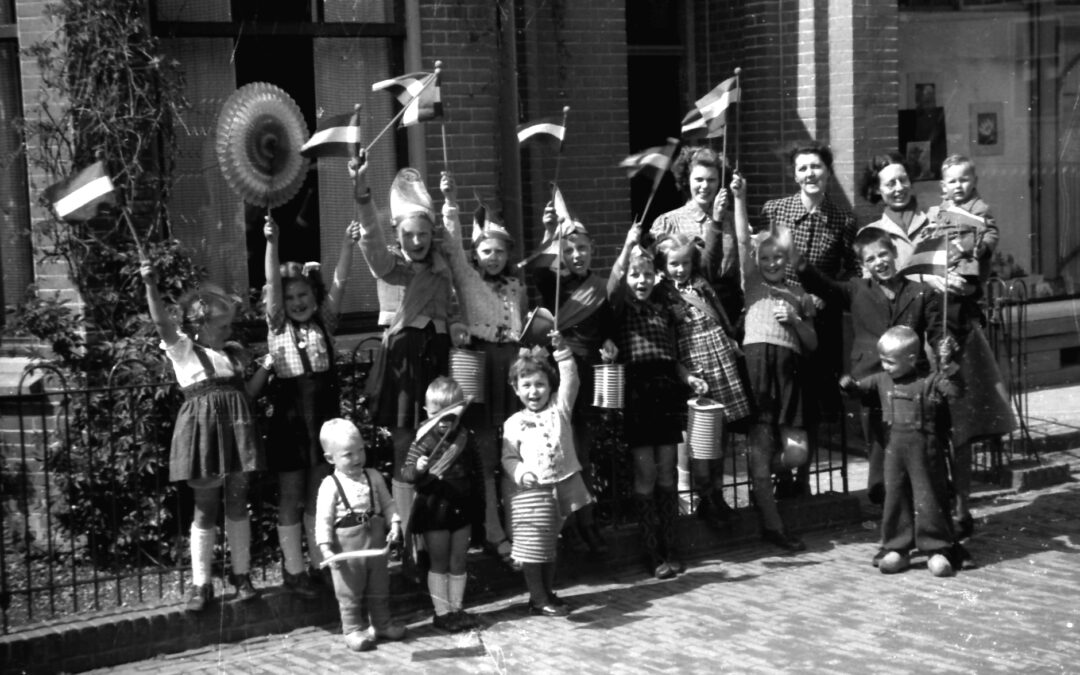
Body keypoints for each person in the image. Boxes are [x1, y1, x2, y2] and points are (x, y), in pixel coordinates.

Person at [351, 153, 467, 551]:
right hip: (404, 356)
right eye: (408, 235)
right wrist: (362, 194)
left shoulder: (442, 266)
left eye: (423, 235)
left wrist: (450, 201)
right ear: (397, 235)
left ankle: (436, 515)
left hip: (437, 353)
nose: (416, 242)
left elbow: (454, 244)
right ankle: (406, 528)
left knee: (439, 437)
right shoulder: (391, 267)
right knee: (405, 441)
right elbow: (370, 239)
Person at [140, 261, 268, 612]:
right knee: (205, 507)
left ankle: (241, 574)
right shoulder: (184, 351)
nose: (229, 331)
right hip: (204, 436)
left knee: (238, 502)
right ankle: (201, 583)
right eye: (222, 325)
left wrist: (267, 366)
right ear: (200, 326)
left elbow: (247, 393)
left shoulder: (231, 356)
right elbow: (161, 323)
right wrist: (151, 287)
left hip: (236, 435)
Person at [795, 228, 944, 513]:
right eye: (871, 259)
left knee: (913, 441)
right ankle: (884, 500)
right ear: (864, 264)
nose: (879, 262)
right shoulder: (856, 290)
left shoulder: (921, 293)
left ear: (894, 253)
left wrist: (945, 350)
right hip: (871, 381)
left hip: (910, 382)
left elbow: (938, 335)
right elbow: (822, 285)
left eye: (883, 254)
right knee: (878, 442)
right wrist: (799, 262)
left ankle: (915, 501)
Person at [915, 154, 1015, 539]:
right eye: (952, 181)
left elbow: (990, 237)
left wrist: (973, 246)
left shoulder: (980, 210)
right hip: (939, 300)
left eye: (964, 179)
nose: (958, 186)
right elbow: (924, 253)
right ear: (943, 185)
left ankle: (961, 507)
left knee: (961, 417)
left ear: (974, 180)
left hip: (965, 295)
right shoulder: (937, 214)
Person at [261, 214, 360, 596]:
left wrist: (347, 246)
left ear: (313, 296)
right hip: (290, 422)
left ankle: (320, 562)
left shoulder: (324, 322)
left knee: (318, 493)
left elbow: (340, 283)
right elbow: (272, 285)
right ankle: (293, 569)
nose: (297, 302)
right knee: (291, 493)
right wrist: (272, 242)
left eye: (302, 295)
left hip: (322, 421)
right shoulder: (277, 326)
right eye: (290, 298)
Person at [608, 223, 707, 578]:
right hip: (638, 392)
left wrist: (688, 377)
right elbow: (613, 285)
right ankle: (652, 553)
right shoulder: (623, 308)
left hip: (665, 389)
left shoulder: (662, 309)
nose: (641, 280)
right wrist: (628, 245)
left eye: (647, 274)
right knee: (645, 472)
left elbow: (673, 357)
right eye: (635, 275)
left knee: (667, 469)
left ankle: (671, 547)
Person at [761, 142, 858, 497]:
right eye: (802, 168)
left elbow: (851, 271)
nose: (810, 174)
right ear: (794, 174)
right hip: (780, 316)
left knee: (811, 402)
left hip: (819, 321)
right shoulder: (776, 210)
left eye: (816, 166)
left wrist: (825, 294)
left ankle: (801, 478)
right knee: (781, 396)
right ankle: (779, 475)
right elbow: (763, 258)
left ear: (828, 171)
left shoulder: (844, 220)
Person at [438, 173, 525, 567]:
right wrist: (450, 202)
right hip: (481, 368)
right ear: (476, 254)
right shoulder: (469, 279)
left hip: (512, 369)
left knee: (517, 451)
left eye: (500, 251)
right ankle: (493, 530)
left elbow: (524, 326)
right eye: (487, 251)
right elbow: (451, 248)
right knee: (487, 456)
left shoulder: (516, 286)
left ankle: (521, 526)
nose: (494, 257)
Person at [732, 173, 816, 552]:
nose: (770, 262)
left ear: (788, 259)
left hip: (788, 376)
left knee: (797, 452)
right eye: (764, 257)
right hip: (757, 373)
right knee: (761, 449)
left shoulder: (798, 293)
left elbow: (812, 342)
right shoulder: (752, 285)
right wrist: (740, 197)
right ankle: (773, 524)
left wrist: (796, 321)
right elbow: (740, 240)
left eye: (777, 256)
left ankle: (760, 476)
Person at [840, 326, 965, 577]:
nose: (884, 366)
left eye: (890, 362)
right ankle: (898, 548)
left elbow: (955, 391)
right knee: (895, 497)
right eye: (883, 360)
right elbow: (860, 389)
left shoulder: (930, 381)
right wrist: (849, 385)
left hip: (925, 452)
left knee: (928, 497)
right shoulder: (881, 379)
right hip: (894, 452)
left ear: (910, 359)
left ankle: (936, 549)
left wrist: (949, 366)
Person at [532, 201, 617, 557]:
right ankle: (570, 525)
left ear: (592, 249)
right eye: (569, 250)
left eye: (582, 248)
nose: (577, 255)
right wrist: (548, 231)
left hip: (590, 378)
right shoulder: (555, 284)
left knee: (584, 453)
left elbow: (608, 327)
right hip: (563, 378)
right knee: (563, 453)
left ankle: (587, 521)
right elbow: (539, 268)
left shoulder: (599, 286)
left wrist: (610, 342)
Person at [654, 230, 753, 529]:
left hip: (719, 360)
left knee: (720, 435)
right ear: (663, 265)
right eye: (673, 264)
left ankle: (718, 495)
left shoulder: (701, 283)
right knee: (700, 438)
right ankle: (705, 496)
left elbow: (718, 309)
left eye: (685, 263)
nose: (680, 269)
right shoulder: (662, 294)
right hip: (694, 367)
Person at [502, 332, 592, 616]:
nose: (534, 391)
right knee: (534, 545)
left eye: (540, 384)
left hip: (563, 485)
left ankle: (547, 593)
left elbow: (571, 380)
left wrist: (562, 351)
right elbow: (508, 458)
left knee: (551, 541)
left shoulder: (559, 409)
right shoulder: (513, 423)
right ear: (515, 389)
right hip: (535, 494)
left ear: (550, 386)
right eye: (526, 385)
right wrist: (521, 473)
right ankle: (538, 598)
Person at [315, 418, 407, 652]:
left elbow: (387, 503)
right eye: (348, 454)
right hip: (347, 548)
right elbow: (323, 519)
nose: (357, 458)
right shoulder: (330, 485)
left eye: (360, 450)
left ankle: (382, 624)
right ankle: (353, 630)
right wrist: (325, 547)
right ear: (330, 458)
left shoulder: (373, 476)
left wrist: (394, 524)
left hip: (375, 541)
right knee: (349, 591)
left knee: (379, 585)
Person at [400, 377, 484, 633]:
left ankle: (457, 609)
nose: (445, 421)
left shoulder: (466, 437)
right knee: (439, 561)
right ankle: (442, 613)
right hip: (434, 508)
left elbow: (478, 472)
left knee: (459, 561)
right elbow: (406, 473)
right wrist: (418, 468)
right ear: (427, 411)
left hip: (461, 506)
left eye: (451, 414)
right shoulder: (422, 440)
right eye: (437, 414)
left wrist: (479, 503)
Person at [649, 146, 742, 321]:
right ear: (687, 180)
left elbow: (741, 267)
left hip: (731, 306)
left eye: (711, 180)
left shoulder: (732, 219)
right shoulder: (669, 222)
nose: (705, 186)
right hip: (688, 309)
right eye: (699, 179)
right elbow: (655, 272)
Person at [856, 151, 930, 271]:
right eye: (891, 184)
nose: (899, 187)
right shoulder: (870, 233)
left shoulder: (935, 217)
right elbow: (871, 279)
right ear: (877, 189)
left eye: (903, 180)